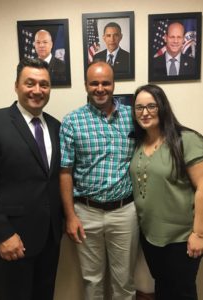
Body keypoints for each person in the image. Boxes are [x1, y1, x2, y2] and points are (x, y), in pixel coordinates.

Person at [0, 58, 63, 300]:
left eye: (44, 85)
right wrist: (3, 235)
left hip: (49, 239)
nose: (37, 90)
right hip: (11, 241)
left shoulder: (56, 127)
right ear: (16, 85)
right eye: (30, 83)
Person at [60, 61, 139, 299]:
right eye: (94, 83)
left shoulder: (132, 116)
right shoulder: (72, 121)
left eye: (106, 82)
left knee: (124, 282)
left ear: (114, 84)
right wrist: (70, 216)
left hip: (124, 212)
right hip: (86, 213)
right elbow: (65, 172)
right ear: (86, 85)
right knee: (91, 281)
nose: (100, 88)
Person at [130, 84, 203, 300]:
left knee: (182, 292)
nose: (145, 112)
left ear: (163, 107)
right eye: (139, 108)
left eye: (151, 106)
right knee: (162, 287)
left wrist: (198, 234)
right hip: (151, 236)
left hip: (181, 238)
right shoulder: (139, 142)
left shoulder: (186, 140)